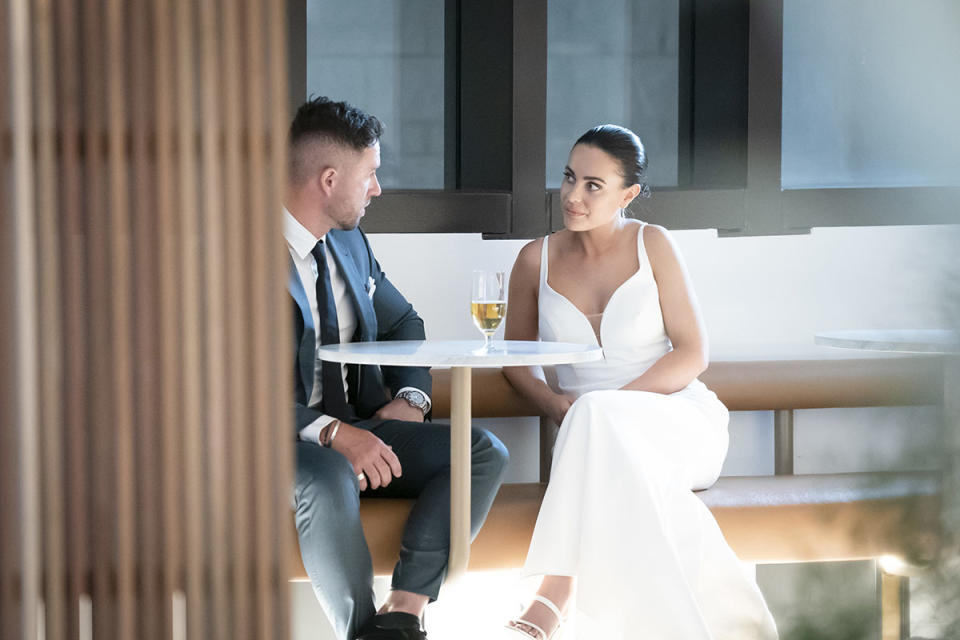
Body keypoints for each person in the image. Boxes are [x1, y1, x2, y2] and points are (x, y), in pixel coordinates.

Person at [500, 125, 778, 639]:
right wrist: (556, 404)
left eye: (593, 185)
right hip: (592, 437)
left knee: (598, 417)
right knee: (600, 430)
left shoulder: (654, 244)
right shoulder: (535, 259)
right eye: (568, 178)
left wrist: (606, 407)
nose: (572, 196)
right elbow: (516, 360)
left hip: (677, 420)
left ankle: (554, 594)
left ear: (628, 195)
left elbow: (693, 353)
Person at [285, 96, 509, 640]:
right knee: (330, 471)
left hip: (358, 428)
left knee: (480, 451)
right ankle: (364, 632)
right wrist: (335, 434)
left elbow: (405, 323)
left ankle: (404, 611)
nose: (377, 190)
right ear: (330, 180)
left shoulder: (348, 242)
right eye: (372, 175)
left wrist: (411, 400)